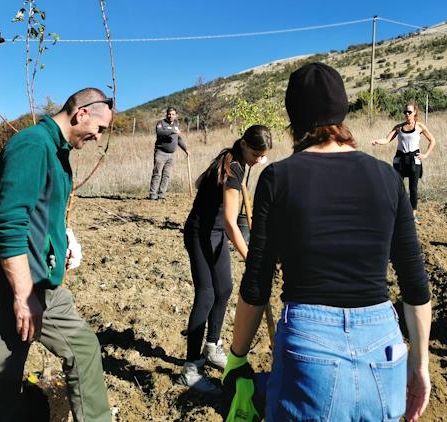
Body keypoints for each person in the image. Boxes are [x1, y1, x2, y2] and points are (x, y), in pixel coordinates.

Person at [224, 62, 432, 422]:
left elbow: (257, 282)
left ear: (294, 119)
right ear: (343, 110)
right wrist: (419, 363)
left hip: (308, 341)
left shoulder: (278, 177)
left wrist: (237, 358)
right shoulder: (386, 176)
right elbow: (415, 282)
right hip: (383, 344)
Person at [0, 88, 114, 422]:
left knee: (84, 349)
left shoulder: (58, 153)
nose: (98, 137)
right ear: (82, 114)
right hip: (13, 286)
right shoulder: (33, 145)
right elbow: (7, 224)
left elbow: (42, 213)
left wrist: (62, 242)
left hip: (44, 286)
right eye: (100, 128)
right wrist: (22, 295)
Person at [178, 125, 272, 393]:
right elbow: (231, 223)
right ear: (243, 144)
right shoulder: (232, 168)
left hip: (215, 232)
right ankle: (191, 369)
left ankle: (212, 346)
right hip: (201, 233)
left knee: (225, 289)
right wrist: (251, 258)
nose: (259, 160)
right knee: (206, 294)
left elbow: (202, 185)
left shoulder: (232, 159)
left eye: (263, 156)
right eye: (256, 153)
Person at [371, 102, 435, 223]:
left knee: (413, 188)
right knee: (397, 187)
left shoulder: (420, 126)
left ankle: (412, 215)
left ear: (415, 112)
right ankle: (397, 212)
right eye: (405, 112)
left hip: (414, 160)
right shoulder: (399, 127)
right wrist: (377, 141)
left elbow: (432, 140)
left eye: (409, 112)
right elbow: (387, 139)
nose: (407, 114)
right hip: (400, 160)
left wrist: (425, 155)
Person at [148, 107, 190, 200]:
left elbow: (178, 139)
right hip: (160, 153)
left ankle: (161, 194)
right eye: (169, 114)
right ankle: (152, 194)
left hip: (171, 155)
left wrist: (185, 149)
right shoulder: (161, 123)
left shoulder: (176, 124)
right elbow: (159, 133)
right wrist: (172, 131)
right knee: (157, 173)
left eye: (173, 114)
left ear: (176, 115)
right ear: (166, 114)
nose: (171, 116)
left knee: (166, 175)